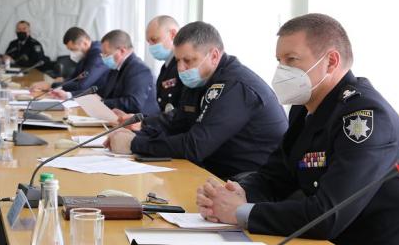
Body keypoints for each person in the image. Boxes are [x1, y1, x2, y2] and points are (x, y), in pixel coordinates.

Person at [196, 13, 399, 245]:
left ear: (331, 61)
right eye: (279, 61)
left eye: (291, 60)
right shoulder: (305, 109)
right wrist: (235, 193)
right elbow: (275, 176)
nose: (282, 70)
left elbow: (327, 215)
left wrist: (240, 212)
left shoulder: (364, 118)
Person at [105, 21, 287, 179]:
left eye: (188, 60)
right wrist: (135, 135)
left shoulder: (235, 86)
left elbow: (195, 145)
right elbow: (178, 123)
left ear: (214, 56)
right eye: (178, 60)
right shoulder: (201, 79)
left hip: (247, 180)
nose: (181, 68)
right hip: (213, 170)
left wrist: (134, 144)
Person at [96, 29, 158, 115]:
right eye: (102, 54)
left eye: (106, 54)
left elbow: (133, 103)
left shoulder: (139, 69)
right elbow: (106, 92)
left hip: (140, 121)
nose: (104, 58)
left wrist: (101, 103)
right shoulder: (116, 67)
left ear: (122, 51)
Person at [34, 27, 109, 96]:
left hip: (97, 97)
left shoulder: (98, 54)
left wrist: (52, 85)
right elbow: (74, 78)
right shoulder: (87, 53)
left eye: (73, 49)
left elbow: (82, 85)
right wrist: (57, 84)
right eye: (70, 50)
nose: (72, 53)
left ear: (85, 43)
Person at [146, 15, 183, 113]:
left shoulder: (184, 66)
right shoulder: (166, 67)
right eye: (149, 42)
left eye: (154, 39)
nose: (151, 46)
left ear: (173, 34)